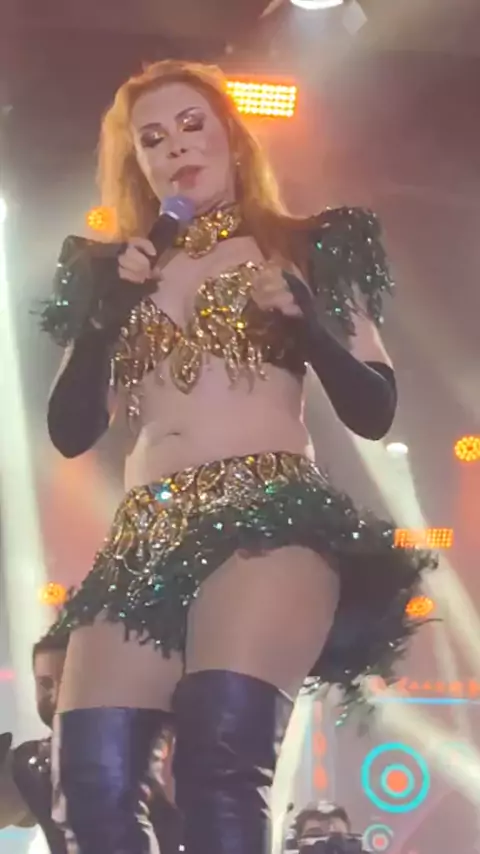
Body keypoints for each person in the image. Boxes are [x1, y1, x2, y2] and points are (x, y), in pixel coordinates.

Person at [39, 59, 437, 854]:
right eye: (153, 139)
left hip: (269, 516)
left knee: (220, 764)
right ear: (136, 163)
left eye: (193, 125)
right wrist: (104, 318)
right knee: (90, 786)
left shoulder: (306, 245)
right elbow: (71, 431)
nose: (176, 147)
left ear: (231, 136)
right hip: (145, 531)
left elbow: (374, 408)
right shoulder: (114, 270)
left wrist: (309, 327)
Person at [1, 633, 181, 854]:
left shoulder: (166, 750)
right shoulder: (32, 767)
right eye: (45, 683)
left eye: (69, 681)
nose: (56, 696)